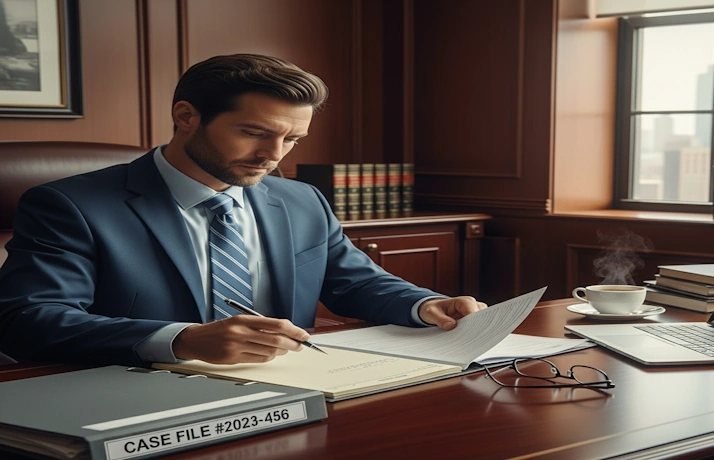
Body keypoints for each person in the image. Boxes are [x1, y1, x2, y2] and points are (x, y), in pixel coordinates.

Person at [0, 54, 487, 367]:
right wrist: (182, 340)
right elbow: (28, 320)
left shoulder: (300, 200)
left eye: (292, 139)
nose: (275, 154)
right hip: (135, 396)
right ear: (186, 117)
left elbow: (355, 281)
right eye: (255, 133)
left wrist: (425, 306)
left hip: (295, 391)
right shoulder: (71, 206)